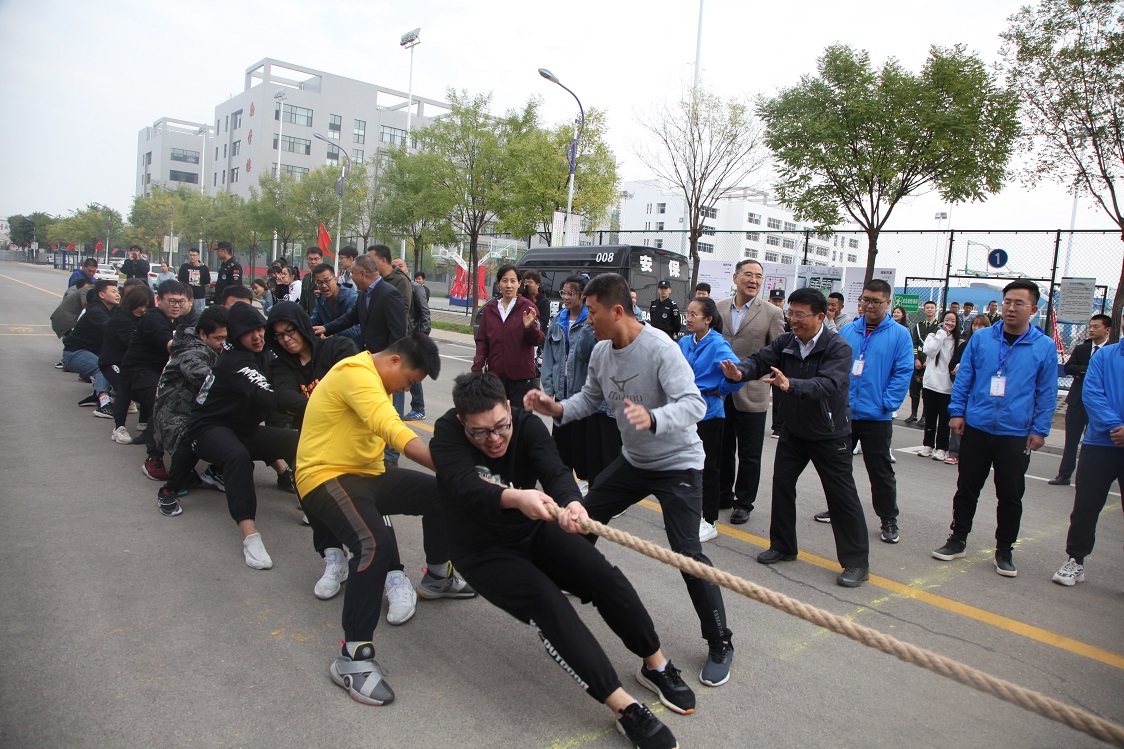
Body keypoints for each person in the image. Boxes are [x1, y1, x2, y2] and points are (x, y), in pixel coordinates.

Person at [432, 372, 689, 748]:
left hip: (530, 527)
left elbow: (553, 468)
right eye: (480, 432)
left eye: (501, 426)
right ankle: (623, 707)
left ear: (509, 408)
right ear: (462, 422)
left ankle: (656, 664)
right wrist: (517, 498)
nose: (494, 438)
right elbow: (464, 487)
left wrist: (571, 502)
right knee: (548, 602)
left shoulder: (527, 424)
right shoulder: (447, 434)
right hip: (481, 549)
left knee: (602, 575)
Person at [524, 272, 735, 688]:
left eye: (594, 311)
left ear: (617, 310)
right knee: (582, 519)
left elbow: (693, 404)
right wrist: (558, 409)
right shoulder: (602, 351)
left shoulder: (660, 348)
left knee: (687, 554)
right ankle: (567, 584)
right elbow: (591, 398)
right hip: (634, 461)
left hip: (678, 464)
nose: (588, 318)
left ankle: (720, 641)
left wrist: (655, 418)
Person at [295, 333, 475, 706]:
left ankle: (438, 578)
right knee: (372, 544)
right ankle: (352, 658)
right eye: (410, 382)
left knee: (443, 495)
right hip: (325, 475)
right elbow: (393, 429)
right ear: (394, 361)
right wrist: (456, 470)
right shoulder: (355, 372)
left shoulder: (377, 378)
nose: (407, 389)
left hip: (367, 476)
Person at [721, 287, 871, 588]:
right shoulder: (787, 342)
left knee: (841, 497)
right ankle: (783, 546)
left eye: (799, 315)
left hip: (829, 433)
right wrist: (740, 372)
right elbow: (760, 360)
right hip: (794, 430)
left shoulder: (837, 347)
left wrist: (792, 386)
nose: (793, 320)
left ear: (820, 316)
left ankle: (856, 562)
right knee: (783, 486)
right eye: (790, 313)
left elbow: (828, 383)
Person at [932, 280, 1058, 578]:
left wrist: (1039, 429)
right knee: (966, 488)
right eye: (1008, 302)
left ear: (1034, 309)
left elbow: (1046, 392)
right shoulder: (982, 339)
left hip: (1015, 434)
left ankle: (1004, 550)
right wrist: (957, 412)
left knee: (1011, 495)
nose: (1011, 308)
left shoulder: (1044, 347)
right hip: (977, 427)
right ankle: (958, 539)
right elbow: (965, 379)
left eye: (1019, 303)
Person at [187, 303, 301, 569]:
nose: (257, 336)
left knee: (299, 441)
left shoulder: (265, 352)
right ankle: (250, 537)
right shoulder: (235, 360)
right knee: (237, 457)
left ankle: (309, 502)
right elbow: (265, 394)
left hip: (244, 429)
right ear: (236, 334)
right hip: (209, 429)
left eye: (260, 328)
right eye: (249, 331)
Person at [817, 280, 913, 542]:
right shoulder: (848, 331)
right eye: (865, 299)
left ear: (888, 303)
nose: (869, 305)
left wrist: (888, 403)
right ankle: (838, 508)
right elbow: (832, 364)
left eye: (876, 301)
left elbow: (903, 371)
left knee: (880, 471)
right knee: (838, 467)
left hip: (876, 415)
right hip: (844, 413)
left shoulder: (900, 335)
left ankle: (888, 519)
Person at [717, 260, 786, 525]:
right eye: (748, 274)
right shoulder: (720, 308)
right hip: (721, 392)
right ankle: (722, 494)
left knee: (749, 453)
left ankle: (743, 502)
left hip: (753, 393)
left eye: (758, 276)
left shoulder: (771, 313)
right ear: (735, 278)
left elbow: (776, 354)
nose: (753, 280)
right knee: (722, 448)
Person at [1051, 336, 1123, 587]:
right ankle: (1075, 561)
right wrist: (1116, 425)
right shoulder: (1105, 356)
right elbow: (1092, 393)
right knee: (1085, 507)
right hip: (1100, 443)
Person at [152, 306, 229, 516]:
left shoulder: (212, 346)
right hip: (175, 415)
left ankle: (215, 471)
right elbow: (208, 379)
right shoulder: (192, 352)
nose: (225, 344)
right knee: (196, 433)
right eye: (219, 338)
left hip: (200, 409)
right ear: (202, 334)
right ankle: (170, 488)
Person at [680, 296, 744, 542]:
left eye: (694, 314)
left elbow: (737, 374)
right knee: (685, 465)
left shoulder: (718, 344)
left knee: (709, 468)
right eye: (688, 313)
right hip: (685, 411)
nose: (689, 318)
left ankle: (708, 520)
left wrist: (723, 387)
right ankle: (689, 513)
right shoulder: (685, 342)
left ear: (708, 319)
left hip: (709, 414)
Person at [121, 279, 191, 480]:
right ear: (159, 299)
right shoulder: (154, 317)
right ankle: (154, 458)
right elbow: (171, 345)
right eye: (172, 301)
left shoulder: (178, 320)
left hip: (161, 372)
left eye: (181, 301)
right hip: (137, 372)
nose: (177, 305)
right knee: (161, 400)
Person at [541, 275, 600, 491]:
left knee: (581, 444)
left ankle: (584, 482)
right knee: (560, 443)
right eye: (563, 292)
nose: (565, 297)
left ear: (582, 295)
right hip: (561, 393)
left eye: (570, 293)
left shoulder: (590, 321)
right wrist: (548, 386)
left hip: (581, 395)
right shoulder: (558, 321)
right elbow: (549, 354)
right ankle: (563, 484)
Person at [1050, 314, 1113, 486]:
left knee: (1094, 443)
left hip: (1099, 404)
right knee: (1071, 440)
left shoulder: (1111, 352)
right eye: (1090, 326)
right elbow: (1069, 368)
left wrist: (1083, 372)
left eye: (1096, 327)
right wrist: (1089, 369)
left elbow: (1109, 374)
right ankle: (1064, 475)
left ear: (1107, 330)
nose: (1091, 329)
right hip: (1077, 401)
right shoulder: (1081, 349)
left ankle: (1092, 478)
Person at [472, 264, 544, 405]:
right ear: (498, 283)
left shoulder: (528, 307)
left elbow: (539, 340)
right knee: (496, 420)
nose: (509, 285)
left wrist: (529, 328)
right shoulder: (490, 309)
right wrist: (477, 367)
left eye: (513, 281)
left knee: (520, 422)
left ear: (519, 283)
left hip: (522, 379)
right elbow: (482, 341)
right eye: (504, 281)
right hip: (496, 378)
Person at [315, 255, 406, 355]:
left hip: (384, 358)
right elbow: (351, 318)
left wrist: (390, 358)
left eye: (353, 273)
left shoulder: (389, 294)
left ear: (363, 274)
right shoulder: (363, 293)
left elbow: (398, 333)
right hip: (366, 355)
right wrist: (326, 328)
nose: (351, 277)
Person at [100, 284, 150, 440]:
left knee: (149, 384)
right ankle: (119, 428)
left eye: (146, 306)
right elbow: (134, 343)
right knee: (123, 387)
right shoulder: (121, 319)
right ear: (131, 303)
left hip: (130, 364)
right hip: (112, 363)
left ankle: (144, 423)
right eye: (139, 305)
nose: (142, 309)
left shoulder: (141, 318)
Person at [62, 280, 118, 415]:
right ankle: (103, 404)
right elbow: (113, 329)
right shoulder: (95, 311)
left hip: (92, 352)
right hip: (74, 353)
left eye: (118, 292)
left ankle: (97, 393)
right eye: (113, 291)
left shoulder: (113, 309)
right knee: (101, 368)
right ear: (101, 295)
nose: (118, 295)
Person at [944, 315, 993, 466]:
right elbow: (953, 364)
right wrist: (955, 369)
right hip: (965, 391)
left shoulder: (991, 346)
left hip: (981, 394)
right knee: (958, 418)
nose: (977, 328)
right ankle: (954, 452)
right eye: (975, 325)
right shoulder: (965, 345)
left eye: (981, 325)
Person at [919, 310, 961, 462]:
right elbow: (929, 352)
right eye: (947, 320)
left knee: (944, 419)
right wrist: (941, 335)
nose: (949, 323)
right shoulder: (933, 336)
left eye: (953, 321)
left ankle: (942, 448)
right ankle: (928, 445)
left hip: (947, 386)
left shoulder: (958, 342)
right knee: (930, 416)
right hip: (930, 384)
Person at [393, 257, 431, 421]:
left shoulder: (416, 288)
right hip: (399, 339)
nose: (398, 269)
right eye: (394, 266)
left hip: (413, 337)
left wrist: (421, 336)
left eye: (400, 266)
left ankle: (418, 408)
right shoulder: (394, 288)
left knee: (412, 372)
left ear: (406, 268)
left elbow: (424, 313)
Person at [309, 263, 360, 345]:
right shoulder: (320, 299)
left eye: (327, 281)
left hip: (351, 347)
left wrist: (332, 334)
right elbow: (315, 320)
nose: (324, 285)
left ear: (336, 279)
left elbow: (356, 328)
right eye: (319, 282)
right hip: (330, 346)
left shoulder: (352, 298)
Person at [907, 301, 940, 426]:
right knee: (914, 388)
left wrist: (928, 360)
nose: (929, 310)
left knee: (926, 390)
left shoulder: (938, 326)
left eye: (932, 308)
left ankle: (925, 416)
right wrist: (916, 358)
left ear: (935, 310)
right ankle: (913, 413)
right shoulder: (918, 325)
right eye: (927, 308)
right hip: (918, 360)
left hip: (930, 361)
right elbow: (914, 343)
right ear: (924, 310)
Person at [178, 248, 211, 315]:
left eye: (194, 255)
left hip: (199, 298)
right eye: (190, 255)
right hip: (186, 297)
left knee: (199, 316)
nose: (192, 257)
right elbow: (180, 282)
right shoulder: (184, 267)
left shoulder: (204, 268)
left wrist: (206, 296)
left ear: (198, 256)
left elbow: (206, 284)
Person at [298, 247, 322, 316]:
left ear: (322, 259)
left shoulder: (327, 278)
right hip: (308, 318)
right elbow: (302, 302)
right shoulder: (306, 279)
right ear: (307, 260)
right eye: (310, 259)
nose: (313, 262)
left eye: (316, 259)